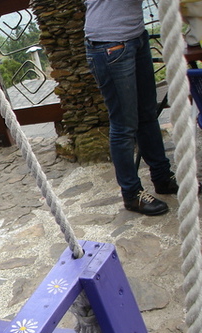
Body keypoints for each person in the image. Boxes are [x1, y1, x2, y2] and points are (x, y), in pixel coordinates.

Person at [84, 0, 178, 215]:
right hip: (110, 44)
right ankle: (132, 194)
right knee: (124, 126)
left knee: (147, 115)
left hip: (136, 37)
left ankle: (162, 177)